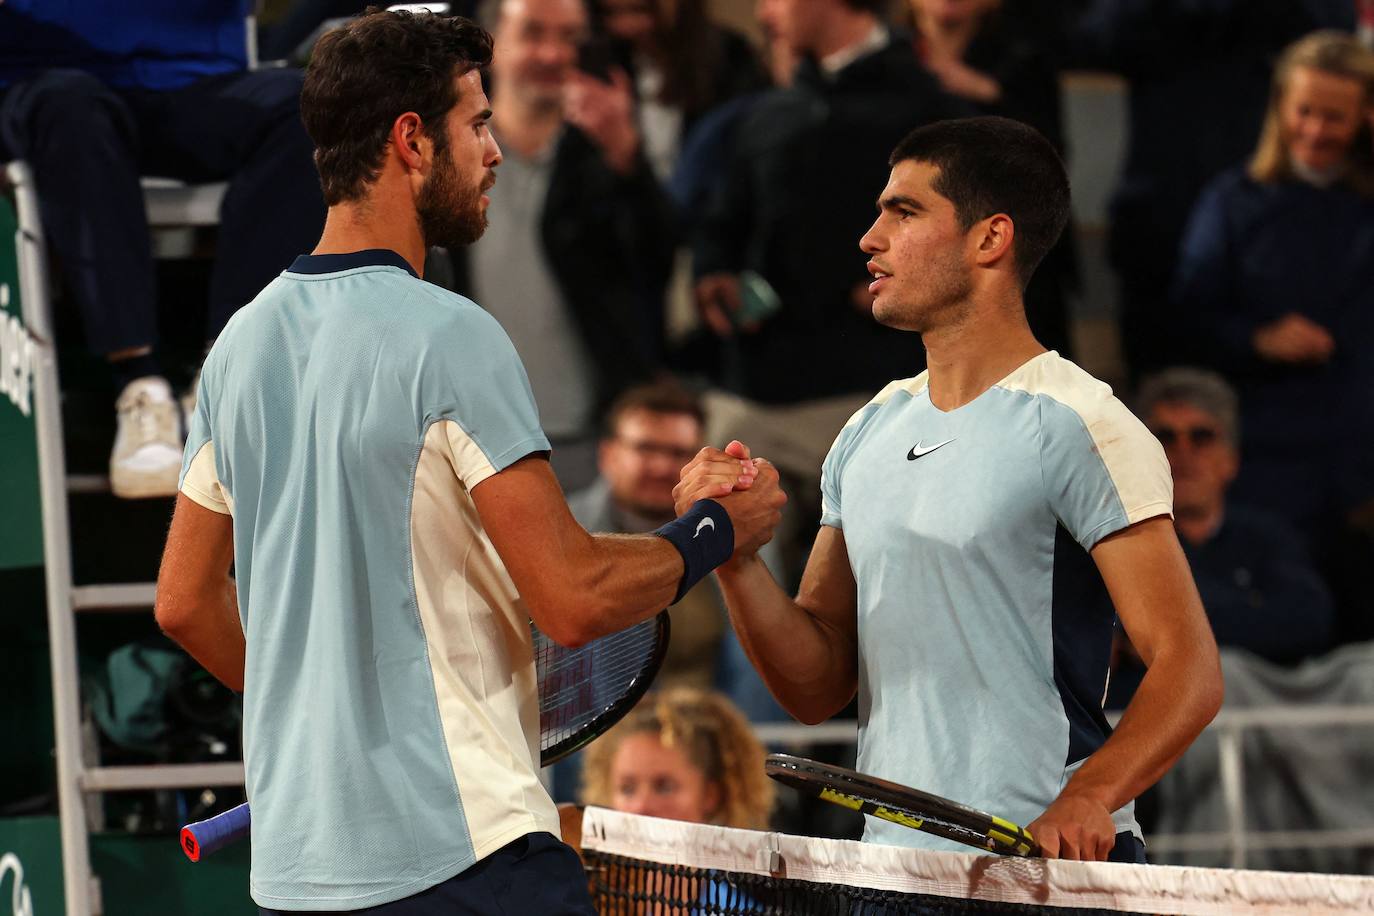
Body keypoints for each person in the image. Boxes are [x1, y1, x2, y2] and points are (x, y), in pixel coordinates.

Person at [151, 10, 783, 914]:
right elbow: (572, 598)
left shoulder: (237, 348)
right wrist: (713, 533)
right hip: (464, 861)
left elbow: (182, 605)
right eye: (476, 125)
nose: (494, 152)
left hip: (300, 876)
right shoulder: (453, 335)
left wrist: (336, 723)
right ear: (413, 141)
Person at [677, 117, 1223, 862]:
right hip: (892, 870)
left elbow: (1189, 671)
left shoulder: (1082, 422)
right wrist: (736, 560)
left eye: (903, 213)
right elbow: (815, 686)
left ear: (989, 239)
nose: (870, 238)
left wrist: (1090, 795)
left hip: (1046, 867)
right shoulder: (866, 432)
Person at [0, 0, 326, 498]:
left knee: (307, 109)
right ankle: (138, 387)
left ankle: (229, 384)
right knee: (70, 108)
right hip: (51, 81)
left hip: (195, 83)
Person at [691, 0, 968, 584]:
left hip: (862, 391)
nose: (764, 12)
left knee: (868, 593)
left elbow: (966, 236)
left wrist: (909, 285)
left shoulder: (929, 112)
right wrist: (713, 275)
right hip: (750, 392)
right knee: (735, 588)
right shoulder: (767, 111)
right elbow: (723, 220)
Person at [443, 0, 679, 491]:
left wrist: (626, 158)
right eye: (532, 32)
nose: (552, 53)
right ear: (490, 42)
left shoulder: (606, 155)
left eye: (569, 37)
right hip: (469, 436)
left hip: (591, 438)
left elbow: (659, 264)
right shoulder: (449, 156)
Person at [1069, 0, 1353, 380]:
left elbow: (1333, 43)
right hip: (1159, 234)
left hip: (1270, 236)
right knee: (1158, 411)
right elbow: (1091, 40)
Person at [1172, 31, 1374, 558]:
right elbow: (1187, 318)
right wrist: (1257, 339)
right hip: (1268, 451)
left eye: (1335, 116)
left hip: (1360, 447)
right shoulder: (1232, 202)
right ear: (1279, 107)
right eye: (1303, 111)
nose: (1314, 130)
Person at [907, 0, 1075, 357]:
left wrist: (990, 94)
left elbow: (1051, 160)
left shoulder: (1024, 59)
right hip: (914, 256)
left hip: (1017, 258)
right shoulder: (887, 60)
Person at [1138, 368, 1335, 665]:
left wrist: (1188, 622)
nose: (1183, 452)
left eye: (1201, 437)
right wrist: (1248, 605)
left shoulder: (1268, 535)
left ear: (1230, 460)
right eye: (1165, 437)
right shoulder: (1129, 541)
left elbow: (1309, 622)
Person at [580, 687, 774, 829]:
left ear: (709, 795)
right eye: (627, 789)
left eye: (664, 787)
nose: (641, 807)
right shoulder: (580, 883)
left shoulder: (737, 885)